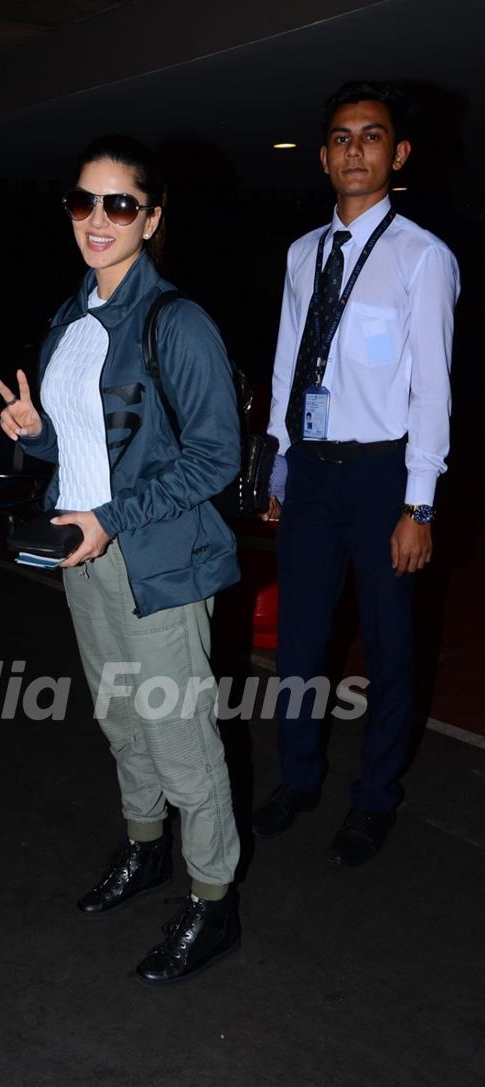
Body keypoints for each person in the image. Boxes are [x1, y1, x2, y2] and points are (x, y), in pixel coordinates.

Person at [0, 135, 241, 985]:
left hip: (157, 563)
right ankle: (146, 851)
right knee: (121, 717)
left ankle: (213, 898)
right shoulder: (71, 317)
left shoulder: (178, 321)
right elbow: (93, 444)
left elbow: (216, 457)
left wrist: (110, 517)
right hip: (86, 554)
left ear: (152, 218)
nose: (97, 219)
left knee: (181, 735)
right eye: (83, 202)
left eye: (119, 204)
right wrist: (38, 435)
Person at [253, 82, 460, 864]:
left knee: (389, 644)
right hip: (309, 475)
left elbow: (432, 388)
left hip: (383, 480)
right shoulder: (302, 253)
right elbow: (286, 360)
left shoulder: (423, 258)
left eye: (371, 137)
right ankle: (298, 777)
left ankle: (374, 796)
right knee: (300, 642)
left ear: (397, 154)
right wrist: (275, 462)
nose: (355, 151)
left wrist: (420, 503)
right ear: (323, 154)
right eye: (341, 138)